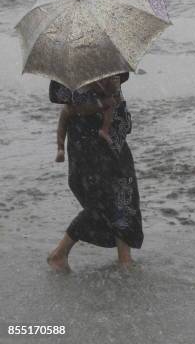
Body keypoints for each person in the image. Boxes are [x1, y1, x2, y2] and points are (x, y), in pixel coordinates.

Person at [46, 73, 143, 271]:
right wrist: (97, 101)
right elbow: (66, 104)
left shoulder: (108, 66)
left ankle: (124, 258)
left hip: (113, 144)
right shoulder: (69, 72)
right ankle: (59, 253)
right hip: (86, 146)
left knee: (125, 195)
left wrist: (114, 90)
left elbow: (124, 117)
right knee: (101, 203)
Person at [55, 77, 119, 163]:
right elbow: (105, 92)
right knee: (111, 103)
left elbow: (60, 96)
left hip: (75, 107)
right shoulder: (94, 75)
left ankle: (60, 149)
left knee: (63, 121)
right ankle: (104, 129)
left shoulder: (71, 75)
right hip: (89, 105)